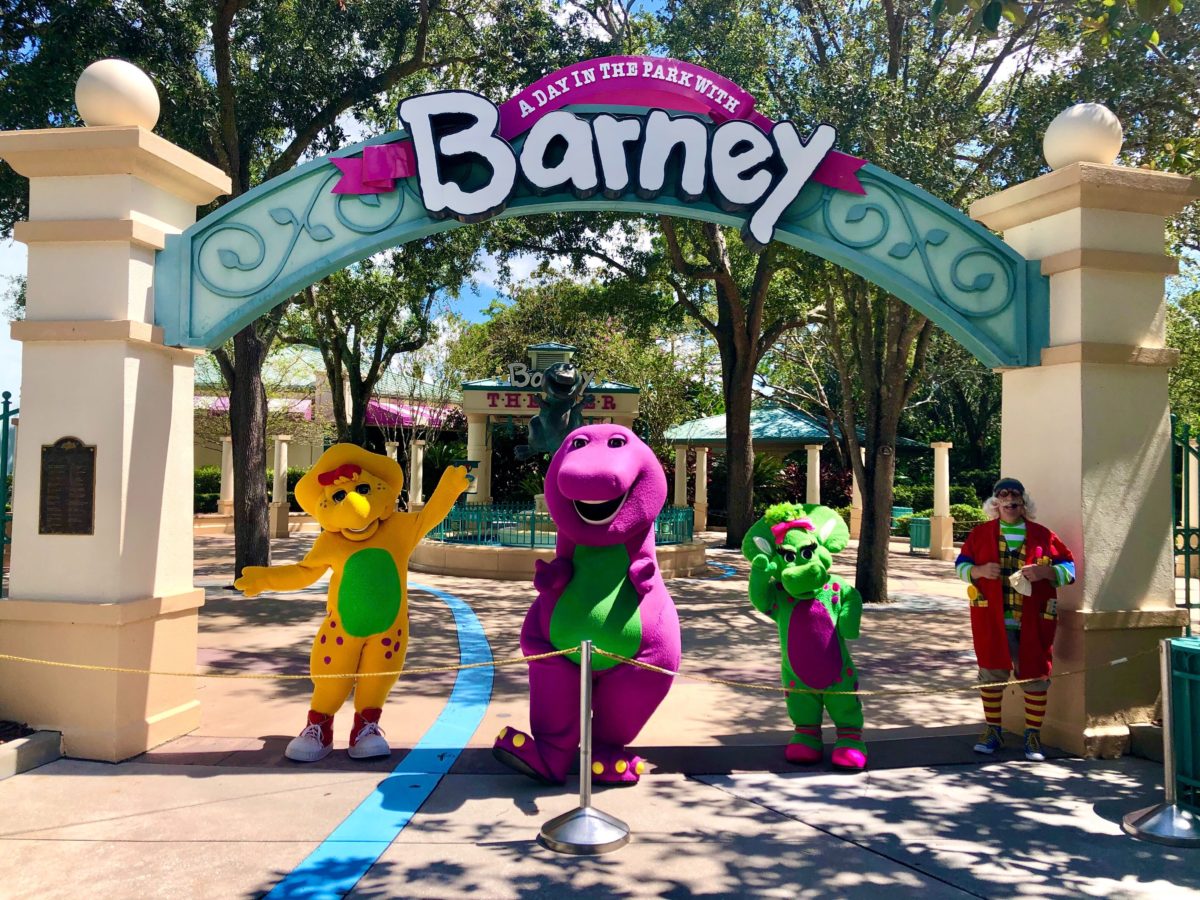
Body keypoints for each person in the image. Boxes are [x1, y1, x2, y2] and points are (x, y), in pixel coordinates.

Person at [955, 477, 1075, 762]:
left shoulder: (1044, 535)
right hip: (991, 619)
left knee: (1035, 676)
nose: (1010, 502)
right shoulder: (980, 534)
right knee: (991, 675)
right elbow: (960, 565)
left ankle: (1033, 735)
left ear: (1023, 503)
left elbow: (1070, 569)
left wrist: (1047, 573)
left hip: (1034, 619)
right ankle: (993, 731)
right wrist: (979, 571)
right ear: (995, 503)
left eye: (1015, 497)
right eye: (1004, 497)